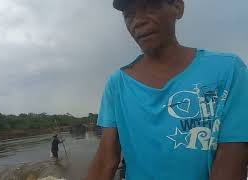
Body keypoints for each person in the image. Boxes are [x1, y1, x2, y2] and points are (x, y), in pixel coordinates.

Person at [86, 0, 248, 179]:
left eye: (150, 8)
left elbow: (232, 159)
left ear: (178, 7)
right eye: (129, 15)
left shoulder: (228, 71)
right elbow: (105, 161)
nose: (138, 21)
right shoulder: (118, 85)